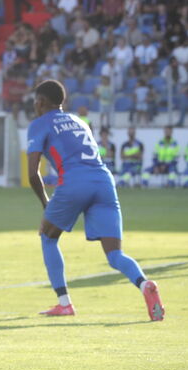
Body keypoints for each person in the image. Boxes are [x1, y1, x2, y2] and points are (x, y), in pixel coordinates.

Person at [26, 80, 164, 321]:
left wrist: (45, 204)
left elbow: (32, 173)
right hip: (104, 182)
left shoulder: (39, 124)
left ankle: (64, 303)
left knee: (48, 237)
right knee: (114, 255)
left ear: (40, 102)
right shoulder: (80, 122)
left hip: (74, 181)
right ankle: (144, 284)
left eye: (35, 102)